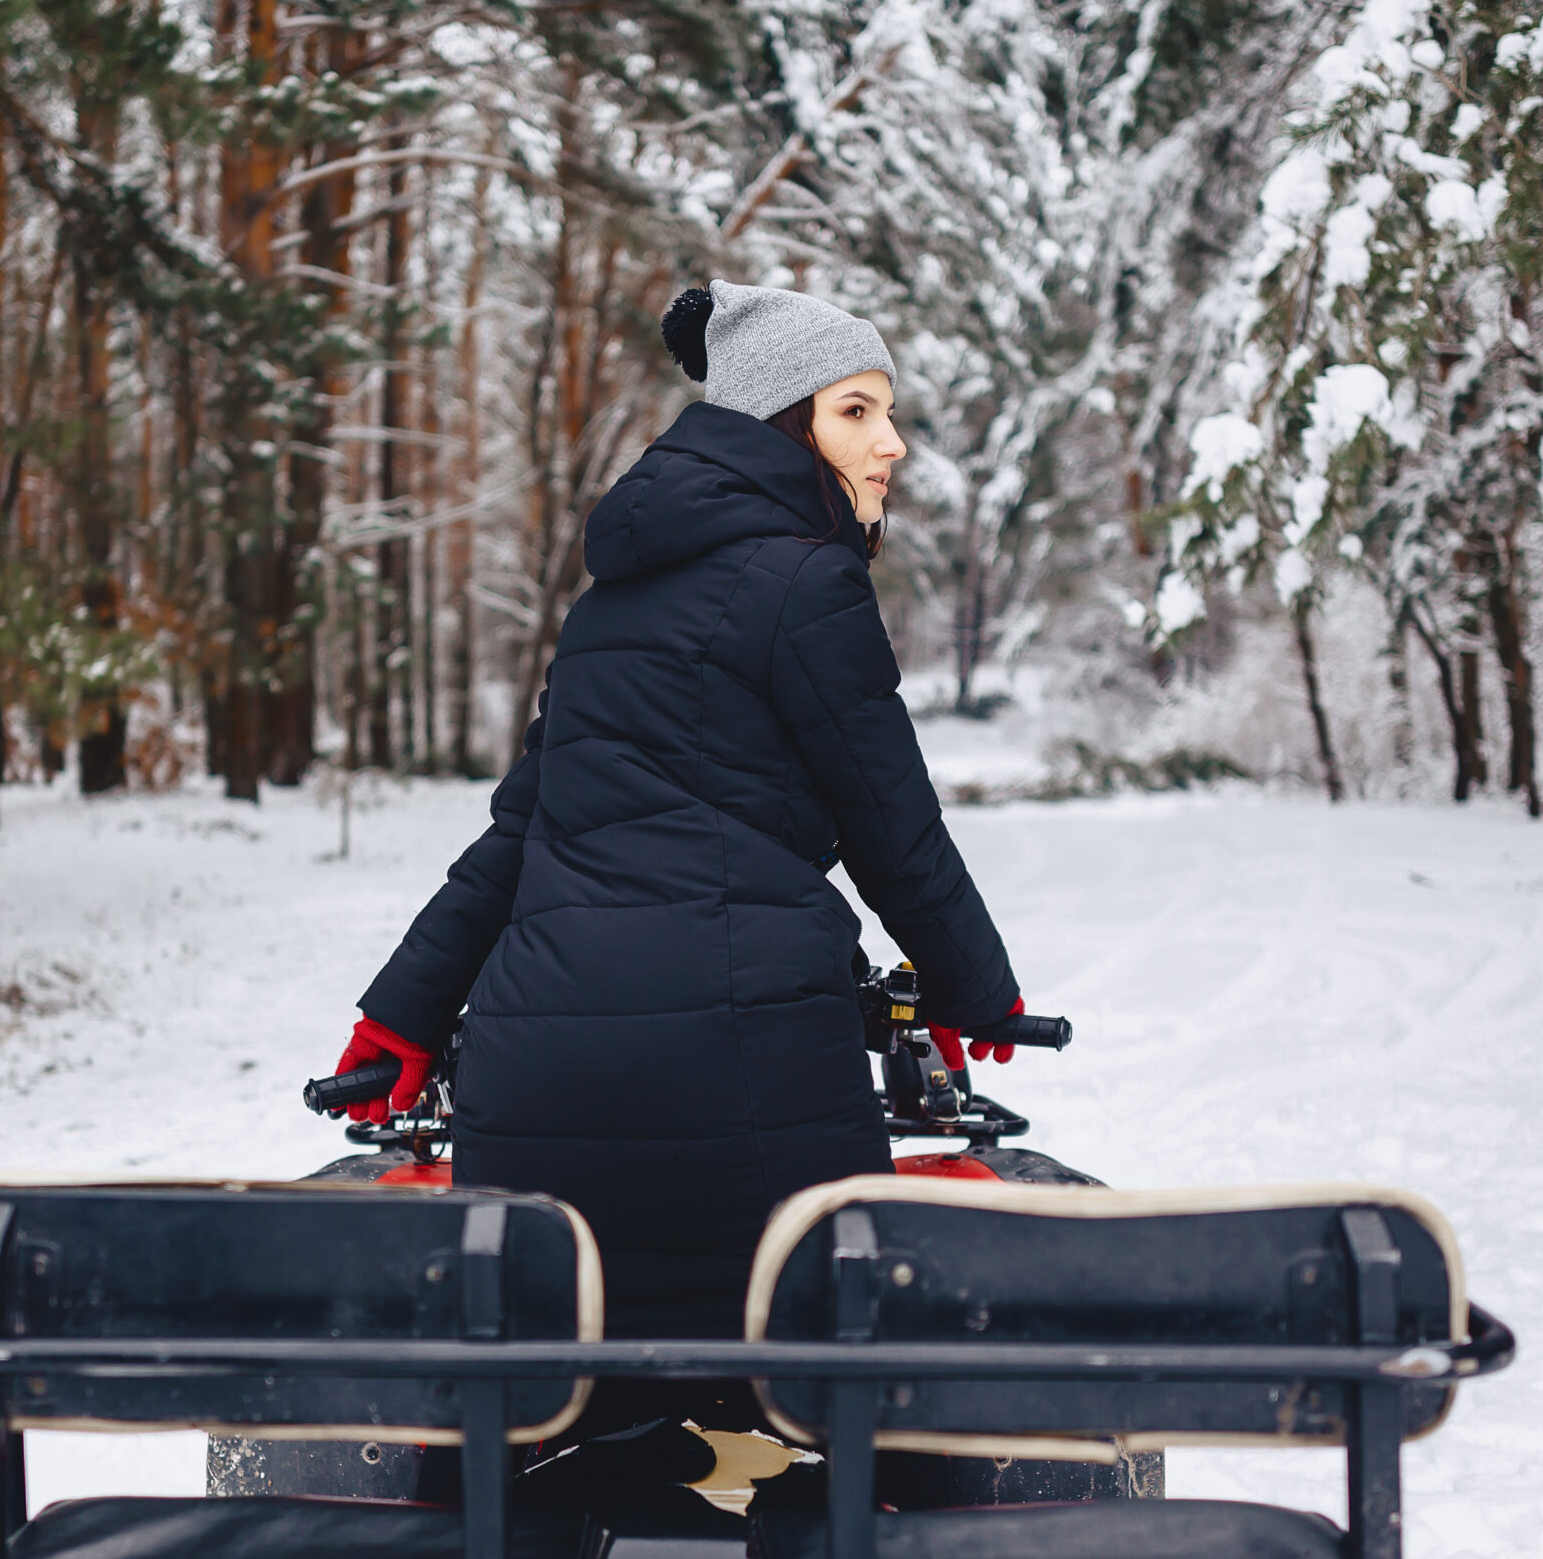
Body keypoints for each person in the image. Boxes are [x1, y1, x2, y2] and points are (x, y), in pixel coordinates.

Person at [330, 280, 1024, 1340]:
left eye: (885, 411)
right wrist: (975, 993)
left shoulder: (608, 604)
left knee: (574, 1374)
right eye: (855, 411)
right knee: (808, 1369)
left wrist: (401, 1015)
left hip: (537, 1095)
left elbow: (521, 833)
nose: (890, 443)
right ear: (780, 425)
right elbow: (892, 824)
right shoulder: (807, 585)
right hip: (749, 1085)